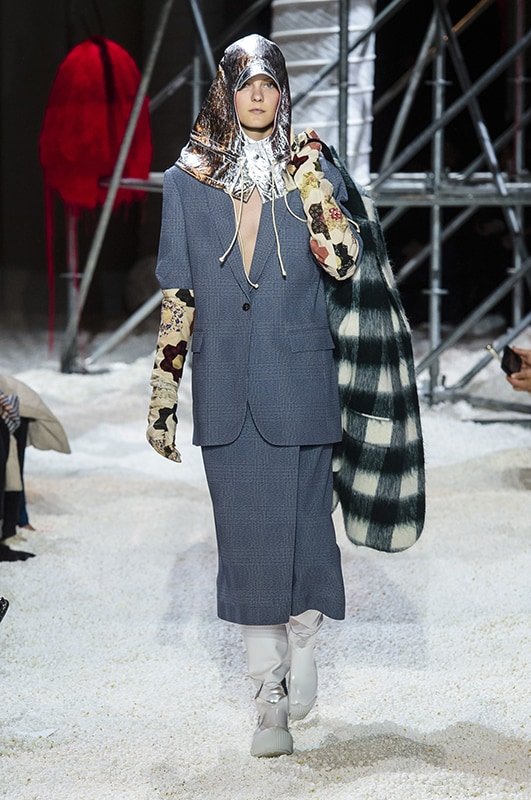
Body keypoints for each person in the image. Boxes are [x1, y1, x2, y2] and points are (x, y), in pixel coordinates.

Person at [146, 34, 422, 758]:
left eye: (270, 82)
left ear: (283, 91)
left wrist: (310, 179)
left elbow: (344, 259)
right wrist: (162, 399)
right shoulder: (185, 181)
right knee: (244, 547)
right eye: (246, 83)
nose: (258, 94)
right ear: (225, 91)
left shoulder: (312, 168)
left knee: (306, 538)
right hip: (225, 390)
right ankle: (267, 697)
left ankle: (304, 644)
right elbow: (178, 296)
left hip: (301, 384)